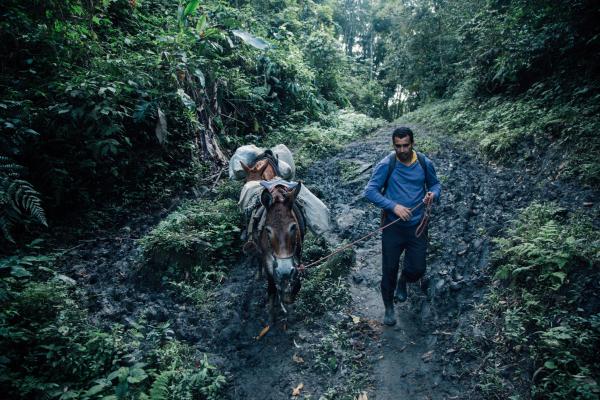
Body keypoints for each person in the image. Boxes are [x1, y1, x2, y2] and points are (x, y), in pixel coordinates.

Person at [363, 127, 442, 326]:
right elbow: (370, 191)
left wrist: (433, 194)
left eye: (406, 145)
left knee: (417, 268)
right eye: (398, 146)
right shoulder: (386, 164)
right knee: (389, 269)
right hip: (392, 227)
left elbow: (435, 185)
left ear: (412, 143)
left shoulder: (424, 163)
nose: (402, 150)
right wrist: (394, 206)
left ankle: (403, 281)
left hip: (418, 226)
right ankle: (389, 307)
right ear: (393, 145)